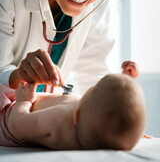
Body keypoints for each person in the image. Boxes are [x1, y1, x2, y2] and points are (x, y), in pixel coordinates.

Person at [0, 61, 146, 150]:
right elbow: (113, 107)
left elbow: (16, 124)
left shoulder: (59, 119)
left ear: (76, 114)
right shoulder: (96, 127)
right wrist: (126, 82)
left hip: (6, 112)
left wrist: (23, 101)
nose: (93, 87)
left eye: (95, 88)